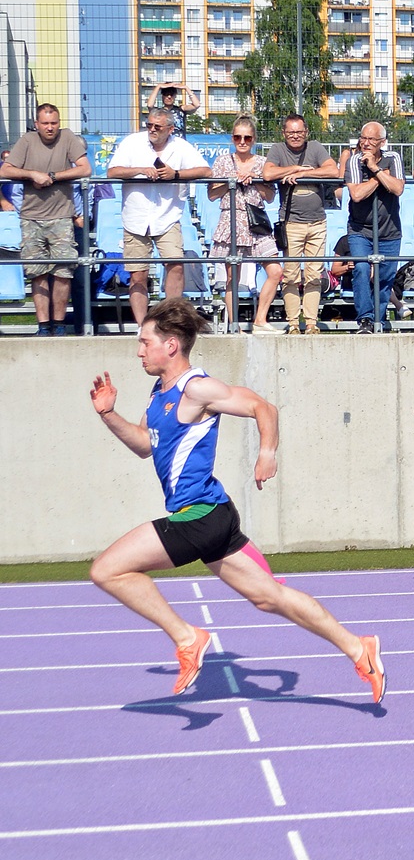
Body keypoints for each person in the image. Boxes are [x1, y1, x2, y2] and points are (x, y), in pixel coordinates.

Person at [87, 300, 385, 703]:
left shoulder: (197, 388)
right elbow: (145, 445)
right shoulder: (159, 391)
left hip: (201, 516)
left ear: (171, 345)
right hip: (213, 512)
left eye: (145, 342)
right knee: (269, 597)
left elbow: (263, 406)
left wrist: (267, 452)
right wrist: (108, 415)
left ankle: (186, 636)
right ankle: (358, 646)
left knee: (107, 570)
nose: (139, 350)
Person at [106, 109, 210, 325]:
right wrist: (140, 170)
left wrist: (176, 175)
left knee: (175, 266)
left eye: (157, 127)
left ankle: (170, 323)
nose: (151, 129)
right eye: (149, 125)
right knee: (138, 275)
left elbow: (205, 171)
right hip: (135, 217)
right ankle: (143, 326)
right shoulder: (132, 143)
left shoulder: (180, 146)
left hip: (168, 217)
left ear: (170, 129)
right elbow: (112, 171)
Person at [2, 103, 91, 336]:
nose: (50, 128)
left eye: (54, 123)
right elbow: (5, 170)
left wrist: (53, 177)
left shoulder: (68, 137)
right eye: (46, 123)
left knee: (63, 273)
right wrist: (31, 174)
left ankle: (60, 325)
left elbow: (84, 168)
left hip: (62, 216)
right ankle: (43, 326)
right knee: (37, 272)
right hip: (31, 217)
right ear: (37, 124)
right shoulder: (27, 141)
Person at [206, 115, 283, 335]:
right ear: (232, 138)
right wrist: (232, 180)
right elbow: (212, 194)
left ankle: (260, 319)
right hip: (231, 220)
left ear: (253, 139)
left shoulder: (261, 162)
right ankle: (235, 325)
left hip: (255, 222)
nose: (242, 141)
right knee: (232, 276)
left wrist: (256, 180)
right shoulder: (222, 161)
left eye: (247, 138)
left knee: (276, 271)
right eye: (238, 137)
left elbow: (269, 196)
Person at [262, 115, 338, 334]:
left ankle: (312, 323)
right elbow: (268, 173)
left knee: (315, 273)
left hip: (317, 222)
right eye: (291, 132)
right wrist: (292, 170)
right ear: (283, 133)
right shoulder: (277, 150)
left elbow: (333, 170)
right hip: (291, 223)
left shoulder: (315, 148)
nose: (295, 136)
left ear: (306, 132)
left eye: (299, 132)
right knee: (291, 275)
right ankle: (294, 323)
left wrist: (305, 172)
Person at [343, 121, 405, 333]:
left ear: (382, 142)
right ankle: (365, 319)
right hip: (360, 229)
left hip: (389, 230)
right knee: (361, 268)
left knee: (385, 276)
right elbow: (357, 194)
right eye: (363, 138)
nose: (366, 143)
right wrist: (380, 177)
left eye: (371, 140)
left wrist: (375, 169)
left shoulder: (393, 158)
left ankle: (379, 318)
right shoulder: (353, 161)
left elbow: (397, 188)